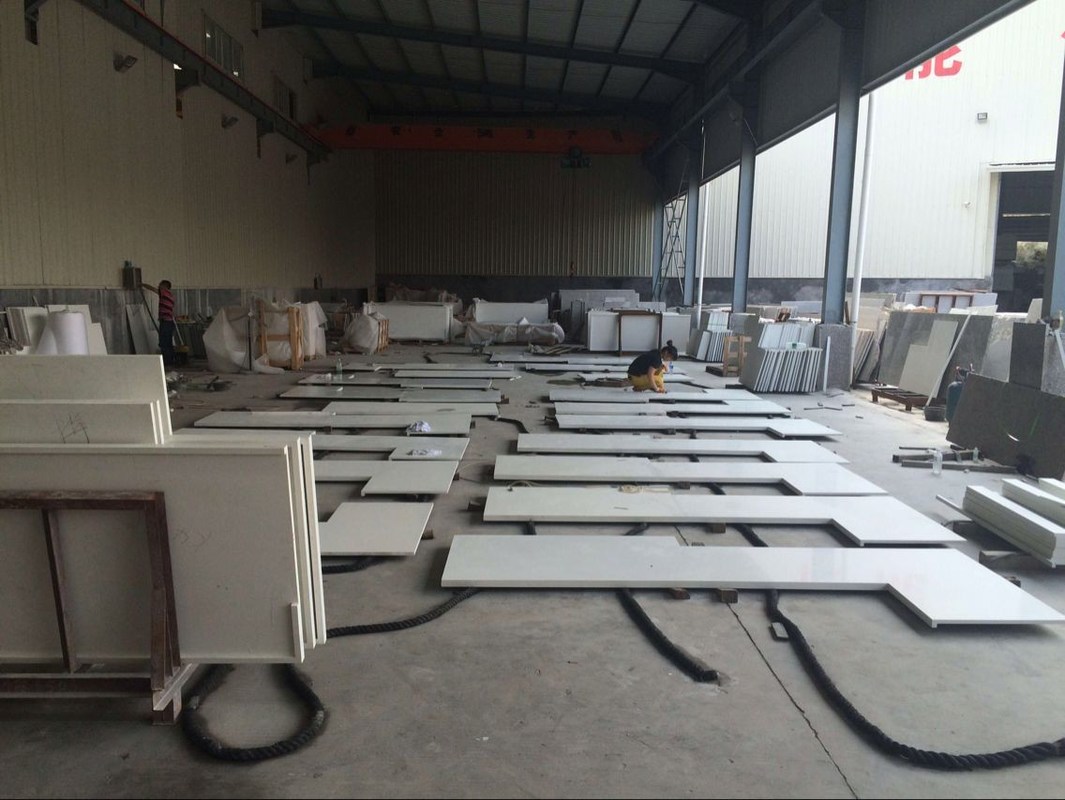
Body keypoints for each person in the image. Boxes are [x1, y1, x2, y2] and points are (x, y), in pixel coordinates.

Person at [141, 279, 176, 366]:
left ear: (164, 286)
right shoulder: (170, 295)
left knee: (164, 343)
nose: (158, 286)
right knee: (168, 343)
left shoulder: (164, 293)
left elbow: (152, 289)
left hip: (165, 322)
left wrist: (142, 284)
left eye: (160, 284)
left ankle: (166, 362)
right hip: (169, 322)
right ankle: (171, 361)